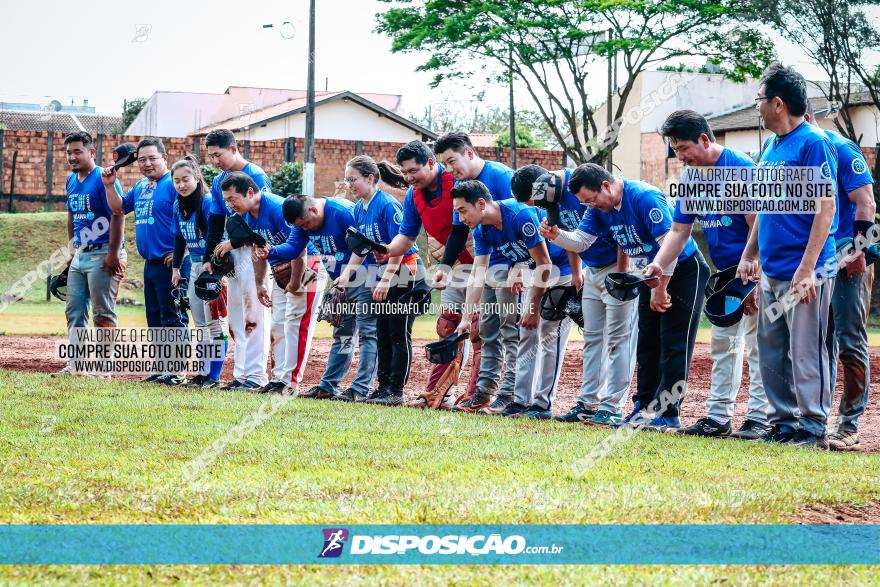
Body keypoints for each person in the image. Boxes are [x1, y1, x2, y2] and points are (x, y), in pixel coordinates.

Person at [541, 163, 709, 432]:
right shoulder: (598, 209)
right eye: (585, 203)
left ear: (606, 186)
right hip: (648, 272)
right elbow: (582, 242)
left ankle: (667, 413)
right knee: (647, 342)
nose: (590, 206)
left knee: (674, 341)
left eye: (592, 199)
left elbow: (671, 243)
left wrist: (660, 287)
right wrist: (557, 235)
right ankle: (643, 407)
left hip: (683, 268)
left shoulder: (644, 197)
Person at [644, 110, 770, 440]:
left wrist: (752, 272)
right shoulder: (690, 179)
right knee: (724, 344)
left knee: (759, 344)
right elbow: (679, 231)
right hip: (726, 274)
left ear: (704, 139)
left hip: (755, 267)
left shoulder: (740, 167)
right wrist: (659, 264)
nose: (680, 156)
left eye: (684, 148)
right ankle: (718, 417)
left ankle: (759, 418)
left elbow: (757, 222)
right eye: (675, 149)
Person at [737, 63, 839, 449]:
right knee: (773, 349)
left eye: (760, 100)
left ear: (778, 103)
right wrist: (750, 254)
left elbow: (825, 207)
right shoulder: (771, 146)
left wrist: (808, 267)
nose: (757, 108)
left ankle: (812, 426)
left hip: (804, 269)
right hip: (774, 268)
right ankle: (782, 423)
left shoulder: (813, 141)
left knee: (806, 349)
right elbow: (764, 206)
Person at [511, 164, 636, 427]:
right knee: (592, 338)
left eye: (537, 203)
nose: (538, 209)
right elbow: (576, 239)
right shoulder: (559, 196)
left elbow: (621, 233)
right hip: (592, 269)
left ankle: (611, 405)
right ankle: (587, 403)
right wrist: (577, 270)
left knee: (617, 338)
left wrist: (622, 275)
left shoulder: (585, 190)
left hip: (616, 268)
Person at [453, 180, 573, 418]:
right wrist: (466, 318)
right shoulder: (482, 230)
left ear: (480, 204)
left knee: (547, 339)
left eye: (462, 210)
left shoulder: (519, 215)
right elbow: (478, 274)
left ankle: (542, 404)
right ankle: (520, 401)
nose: (460, 217)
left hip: (561, 270)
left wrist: (534, 307)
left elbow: (545, 263)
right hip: (536, 272)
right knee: (526, 336)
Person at [379, 141, 479, 410]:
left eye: (414, 170)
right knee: (447, 326)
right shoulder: (413, 196)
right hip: (454, 269)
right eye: (405, 173)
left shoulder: (457, 182)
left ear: (432, 164)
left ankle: (478, 395)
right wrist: (387, 250)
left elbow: (469, 226)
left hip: (484, 266)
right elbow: (406, 235)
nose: (409, 178)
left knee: (479, 330)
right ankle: (440, 393)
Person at [804, 105, 876, 451]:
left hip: (848, 257)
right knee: (820, 341)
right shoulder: (794, 151)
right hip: (817, 262)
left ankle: (849, 425)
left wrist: (859, 252)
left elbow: (866, 203)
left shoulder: (839, 148)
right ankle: (816, 419)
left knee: (849, 339)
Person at [433, 132, 519, 415]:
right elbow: (459, 231)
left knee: (512, 331)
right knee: (486, 330)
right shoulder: (462, 187)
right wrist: (445, 268)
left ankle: (511, 394)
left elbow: (525, 218)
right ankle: (484, 393)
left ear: (469, 153)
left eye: (451, 161)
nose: (449, 169)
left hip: (516, 265)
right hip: (490, 263)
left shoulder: (501, 176)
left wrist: (520, 267)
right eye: (444, 164)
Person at [218, 172, 327, 394]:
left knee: (297, 325)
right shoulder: (247, 216)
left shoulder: (276, 208)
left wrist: (296, 281)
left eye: (232, 199)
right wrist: (259, 283)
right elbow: (258, 251)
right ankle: (279, 379)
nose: (229, 205)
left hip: (307, 266)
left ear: (250, 192)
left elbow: (300, 248)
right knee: (278, 325)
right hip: (280, 271)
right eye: (226, 200)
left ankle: (290, 382)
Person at [336, 155, 425, 406]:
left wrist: (384, 280)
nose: (349, 184)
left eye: (353, 179)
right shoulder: (358, 209)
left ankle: (395, 390)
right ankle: (383, 387)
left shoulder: (387, 205)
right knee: (383, 332)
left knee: (398, 332)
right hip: (387, 273)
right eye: (347, 180)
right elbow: (360, 249)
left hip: (407, 272)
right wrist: (345, 276)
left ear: (371, 178)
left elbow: (401, 248)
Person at [103, 137, 190, 385]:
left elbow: (191, 218)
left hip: (172, 263)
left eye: (153, 158)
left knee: (173, 316)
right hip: (151, 264)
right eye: (142, 160)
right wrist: (110, 186)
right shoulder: (141, 186)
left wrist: (181, 254)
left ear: (165, 158)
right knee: (154, 317)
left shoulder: (174, 184)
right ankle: (162, 368)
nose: (147, 163)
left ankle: (177, 371)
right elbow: (119, 209)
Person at [280, 194, 378, 401]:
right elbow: (293, 248)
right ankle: (328, 385)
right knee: (343, 335)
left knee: (368, 334)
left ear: (313, 210)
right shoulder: (302, 222)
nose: (305, 229)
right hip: (342, 285)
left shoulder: (342, 212)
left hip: (367, 276)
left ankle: (360, 388)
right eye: (301, 226)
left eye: (306, 223)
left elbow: (365, 246)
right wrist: (269, 250)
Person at [201, 129, 272, 390]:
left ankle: (255, 377)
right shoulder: (221, 179)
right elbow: (215, 220)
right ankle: (241, 374)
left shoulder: (255, 175)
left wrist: (234, 242)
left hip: (255, 251)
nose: (215, 160)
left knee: (255, 313)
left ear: (233, 148)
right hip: (233, 253)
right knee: (237, 316)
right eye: (211, 156)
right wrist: (211, 257)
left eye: (218, 154)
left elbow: (259, 220)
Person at [53, 131, 126, 377]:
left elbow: (118, 214)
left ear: (91, 152)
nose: (72, 157)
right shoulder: (72, 180)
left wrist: (114, 253)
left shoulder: (104, 178)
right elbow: (72, 216)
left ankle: (105, 369)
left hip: (103, 251)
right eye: (69, 152)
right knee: (74, 311)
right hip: (81, 253)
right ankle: (76, 366)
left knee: (103, 313)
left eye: (77, 151)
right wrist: (71, 249)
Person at [169, 156, 227, 388]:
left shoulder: (207, 201)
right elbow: (178, 237)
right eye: (177, 181)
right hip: (194, 266)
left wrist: (215, 269)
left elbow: (215, 236)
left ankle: (213, 377)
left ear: (197, 177)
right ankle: (202, 373)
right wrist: (175, 267)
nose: (181, 185)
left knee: (214, 323)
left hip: (211, 266)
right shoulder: (177, 204)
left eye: (186, 179)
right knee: (200, 324)